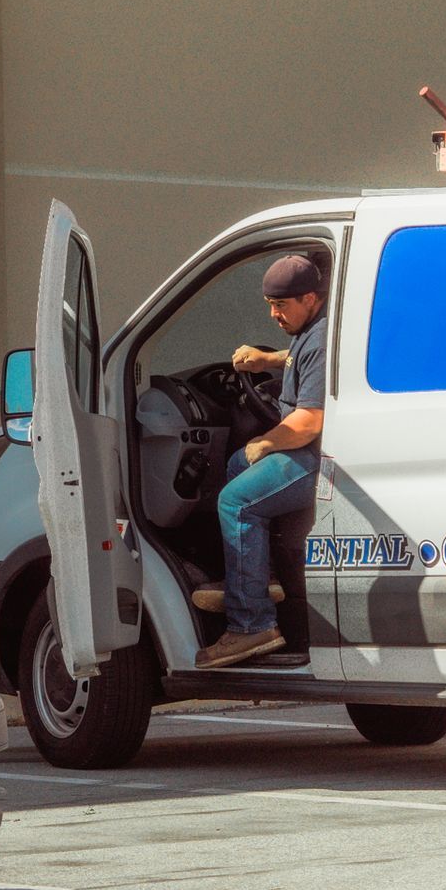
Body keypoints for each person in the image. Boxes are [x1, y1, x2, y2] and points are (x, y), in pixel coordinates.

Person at [193, 254, 328, 669]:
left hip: (318, 459)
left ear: (309, 298)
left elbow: (308, 422)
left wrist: (266, 442)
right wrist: (267, 359)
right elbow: (297, 357)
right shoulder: (314, 331)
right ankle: (259, 580)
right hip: (305, 449)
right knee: (237, 464)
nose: (273, 313)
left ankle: (252, 623)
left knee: (237, 501)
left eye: (281, 305)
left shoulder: (321, 340)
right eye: (269, 303)